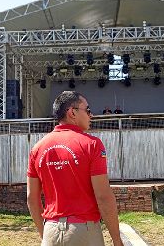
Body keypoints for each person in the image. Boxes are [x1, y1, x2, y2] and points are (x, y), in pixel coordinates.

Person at [27, 91, 123, 246]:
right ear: (72, 112)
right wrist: (117, 240)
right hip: (84, 231)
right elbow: (104, 197)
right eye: (88, 110)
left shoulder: (37, 148)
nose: (91, 115)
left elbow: (32, 198)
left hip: (51, 230)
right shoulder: (91, 144)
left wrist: (44, 234)